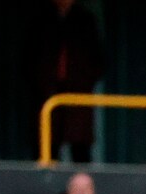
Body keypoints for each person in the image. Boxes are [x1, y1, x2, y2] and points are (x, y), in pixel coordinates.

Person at [29, 0, 103, 161]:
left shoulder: (84, 19)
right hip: (48, 89)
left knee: (80, 143)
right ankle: (46, 176)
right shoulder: (43, 18)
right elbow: (31, 56)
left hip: (78, 90)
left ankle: (81, 176)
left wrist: (86, 78)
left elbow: (97, 57)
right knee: (48, 140)